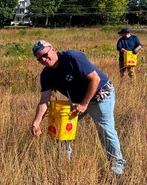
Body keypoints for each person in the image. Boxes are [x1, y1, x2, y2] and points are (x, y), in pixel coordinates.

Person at [31, 40, 126, 175]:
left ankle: (117, 165)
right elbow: (44, 100)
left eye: (45, 55)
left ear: (53, 49)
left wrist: (84, 104)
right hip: (78, 101)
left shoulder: (72, 57)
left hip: (100, 93)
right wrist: (37, 122)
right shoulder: (47, 74)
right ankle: (64, 163)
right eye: (40, 59)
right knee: (61, 128)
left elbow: (95, 79)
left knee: (105, 129)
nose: (44, 60)